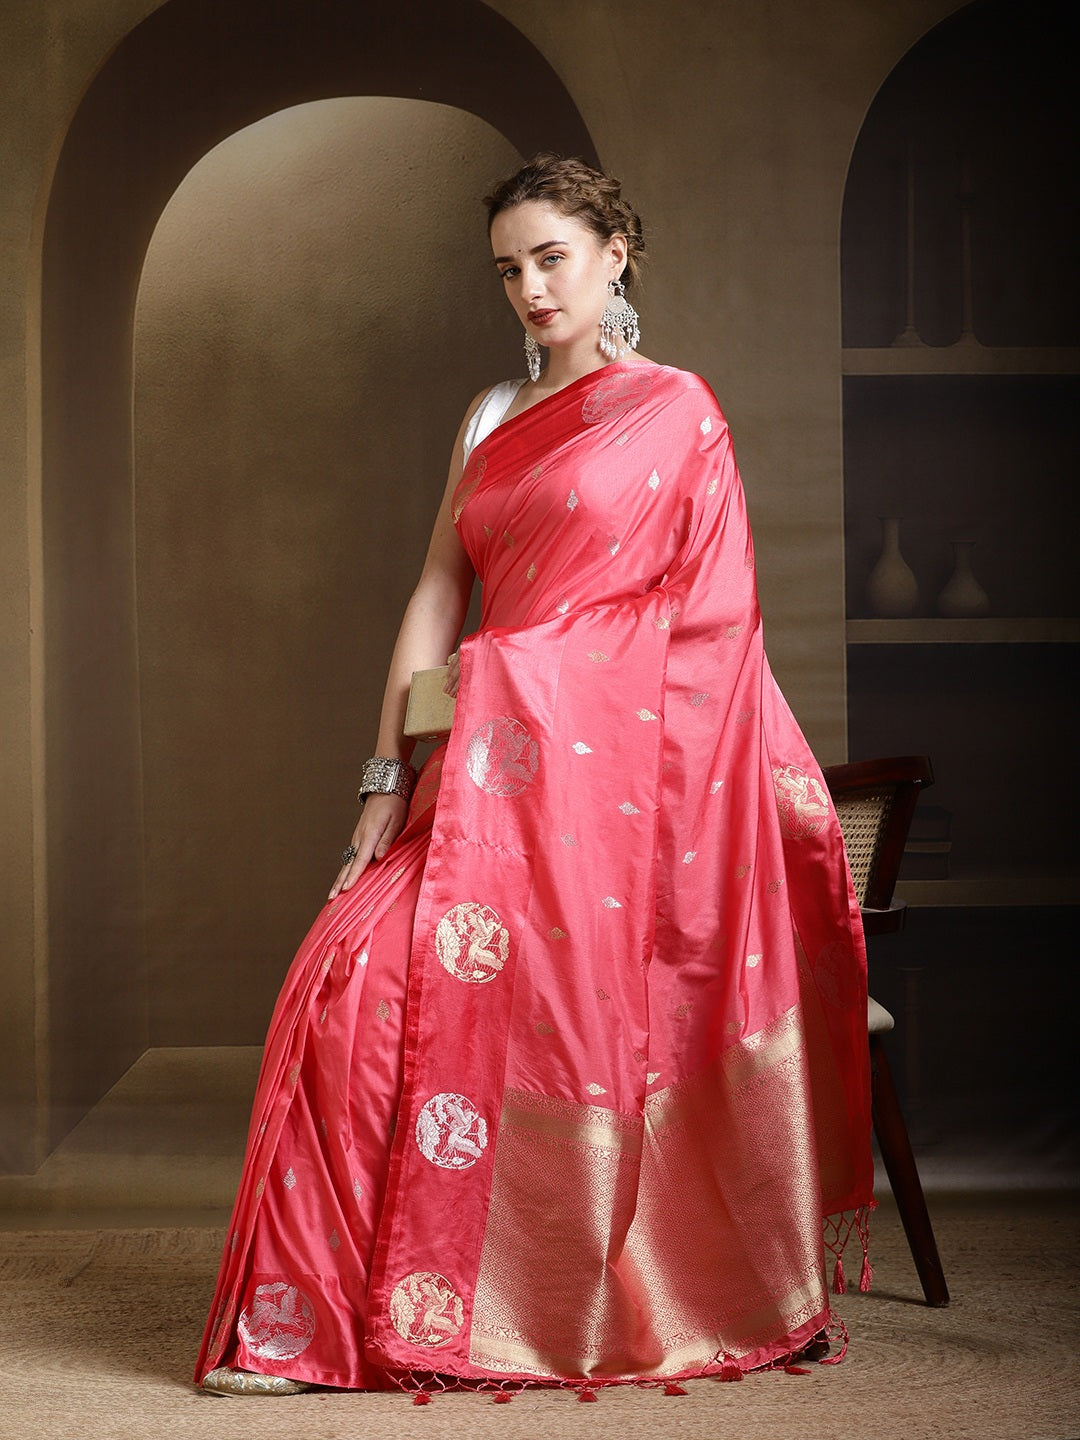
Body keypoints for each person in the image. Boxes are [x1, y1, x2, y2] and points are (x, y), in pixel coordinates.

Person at [196, 154, 873, 1400]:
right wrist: (382, 778)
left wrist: (521, 669)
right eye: (508, 269)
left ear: (615, 255)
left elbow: (711, 628)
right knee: (345, 987)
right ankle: (307, 1324)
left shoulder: (677, 410)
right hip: (483, 782)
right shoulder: (491, 416)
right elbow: (437, 590)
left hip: (619, 807)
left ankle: (543, 1301)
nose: (530, 289)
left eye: (551, 258)